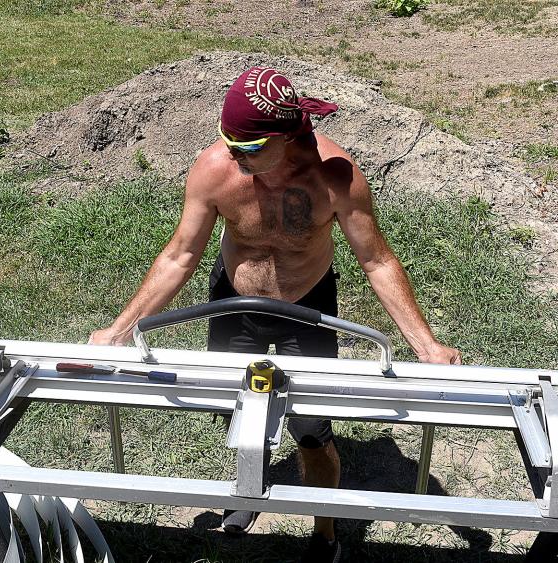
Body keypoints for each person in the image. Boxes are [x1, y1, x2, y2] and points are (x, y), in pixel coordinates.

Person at [89, 65, 462, 563]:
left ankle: (324, 531)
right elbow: (181, 254)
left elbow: (376, 260)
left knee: (310, 430)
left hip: (304, 310)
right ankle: (252, 485)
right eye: (229, 143)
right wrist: (119, 330)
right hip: (234, 303)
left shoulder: (334, 178)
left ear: (287, 136)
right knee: (238, 410)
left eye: (248, 149)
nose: (234, 157)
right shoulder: (215, 168)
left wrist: (427, 346)